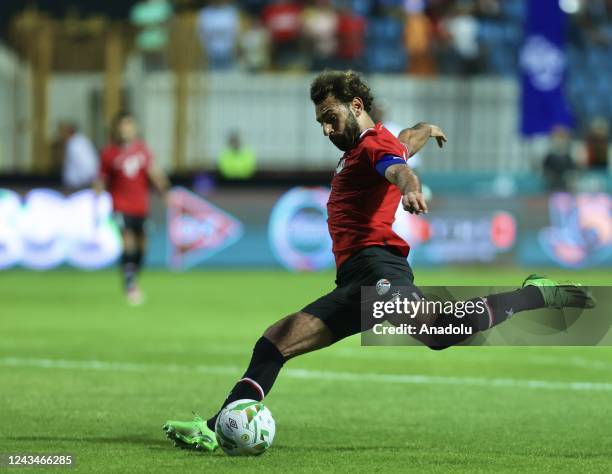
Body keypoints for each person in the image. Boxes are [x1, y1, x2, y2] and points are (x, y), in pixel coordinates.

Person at [162, 71, 594, 451]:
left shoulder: (372, 148)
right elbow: (406, 140)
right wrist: (428, 128)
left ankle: (533, 295)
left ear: (355, 106)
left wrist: (409, 185)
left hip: (379, 269)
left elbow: (397, 166)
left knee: (440, 332)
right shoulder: (367, 145)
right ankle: (216, 428)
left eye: (331, 117)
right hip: (352, 281)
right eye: (320, 122)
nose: (326, 129)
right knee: (275, 341)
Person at [94, 112, 170, 305]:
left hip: (140, 207)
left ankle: (132, 277)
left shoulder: (142, 151)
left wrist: (165, 191)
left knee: (143, 247)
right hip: (120, 205)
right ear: (116, 129)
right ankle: (129, 285)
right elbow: (101, 178)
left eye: (129, 125)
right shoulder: (109, 153)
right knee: (128, 240)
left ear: (134, 128)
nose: (125, 129)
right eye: (122, 125)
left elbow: (154, 173)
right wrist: (96, 196)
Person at [58, 121, 99, 191]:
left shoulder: (76, 144)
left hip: (78, 187)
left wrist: (84, 183)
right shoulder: (74, 142)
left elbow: (85, 164)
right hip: (76, 185)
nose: (59, 134)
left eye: (61, 131)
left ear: (68, 131)